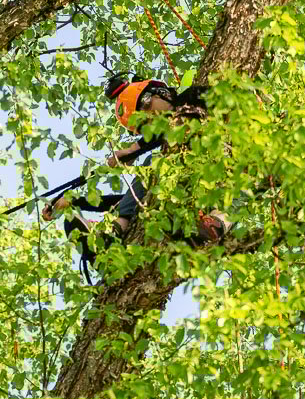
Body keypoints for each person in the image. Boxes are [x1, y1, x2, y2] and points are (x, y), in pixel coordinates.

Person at [43, 75, 228, 279]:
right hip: (188, 200)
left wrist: (133, 149)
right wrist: (73, 201)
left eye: (147, 106)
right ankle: (106, 248)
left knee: (153, 164)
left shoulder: (194, 97)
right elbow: (131, 201)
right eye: (143, 126)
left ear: (163, 94)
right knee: (140, 189)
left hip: (227, 171)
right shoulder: (166, 156)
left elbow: (178, 118)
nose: (152, 120)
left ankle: (217, 222)